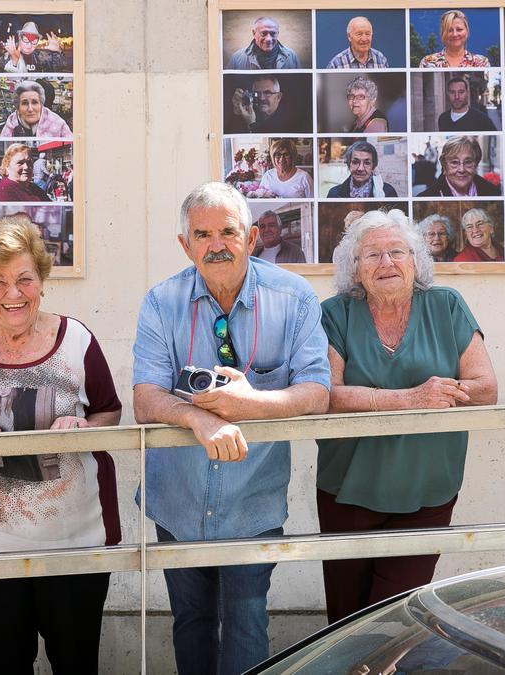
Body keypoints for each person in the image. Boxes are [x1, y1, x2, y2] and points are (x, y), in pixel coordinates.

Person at [132, 182, 330, 674]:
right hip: (178, 497)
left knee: (246, 622)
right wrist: (197, 416)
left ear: (253, 236)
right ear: (185, 244)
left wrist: (253, 403)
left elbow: (317, 392)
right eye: (202, 234)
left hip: (252, 499)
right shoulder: (161, 302)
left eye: (228, 231)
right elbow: (145, 398)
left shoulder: (294, 297)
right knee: (191, 619)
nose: (216, 245)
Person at [0, 216, 120, 673]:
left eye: (24, 279)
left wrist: (84, 428)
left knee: (76, 662)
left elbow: (109, 410)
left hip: (75, 542)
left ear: (42, 280)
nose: (13, 294)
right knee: (5, 661)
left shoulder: (76, 339)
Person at [318, 209, 497, 622]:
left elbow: (486, 388)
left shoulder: (446, 306)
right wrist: (412, 397)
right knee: (346, 620)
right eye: (372, 255)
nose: (386, 263)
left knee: (396, 616)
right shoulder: (335, 314)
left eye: (397, 251)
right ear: (354, 269)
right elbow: (327, 394)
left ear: (415, 260)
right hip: (349, 488)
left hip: (428, 487)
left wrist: (441, 392)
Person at [417, 136, 499, 197]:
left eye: (468, 162)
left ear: (476, 163)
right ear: (444, 165)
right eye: (454, 162)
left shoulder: (493, 192)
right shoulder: (426, 197)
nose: (461, 170)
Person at [1, 79, 72, 138]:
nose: (30, 109)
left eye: (35, 102)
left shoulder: (57, 123)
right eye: (24, 103)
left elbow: (73, 149)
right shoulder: (12, 121)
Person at [327, 140, 399, 198]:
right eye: (355, 162)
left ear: (373, 166)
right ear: (349, 164)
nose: (360, 168)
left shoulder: (388, 193)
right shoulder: (334, 194)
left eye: (367, 163)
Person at [419, 10, 491, 68]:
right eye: (449, 30)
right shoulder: (428, 62)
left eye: (459, 29)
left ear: (467, 32)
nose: (455, 34)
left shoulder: (481, 62)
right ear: (443, 33)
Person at [229, 75, 299, 133]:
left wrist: (251, 124)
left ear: (278, 97)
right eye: (257, 93)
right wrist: (237, 110)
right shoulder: (248, 112)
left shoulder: (289, 123)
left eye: (267, 93)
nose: (261, 98)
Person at [227, 16, 300, 70]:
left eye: (273, 34)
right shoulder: (237, 58)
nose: (268, 39)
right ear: (254, 33)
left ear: (278, 33)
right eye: (263, 33)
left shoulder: (291, 56)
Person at [0, 20, 67, 73]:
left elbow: (59, 68)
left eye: (33, 42)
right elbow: (0, 75)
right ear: (20, 38)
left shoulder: (42, 57)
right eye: (26, 40)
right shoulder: (6, 57)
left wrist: (58, 51)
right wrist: (14, 62)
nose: (29, 45)